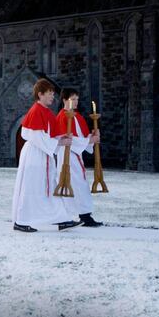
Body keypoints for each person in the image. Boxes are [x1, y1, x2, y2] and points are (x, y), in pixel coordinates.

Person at [11, 79, 82, 232]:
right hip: (35, 155)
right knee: (32, 187)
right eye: (49, 93)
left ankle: (62, 219)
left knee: (49, 187)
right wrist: (58, 144)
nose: (52, 97)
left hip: (44, 155)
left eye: (53, 93)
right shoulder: (36, 111)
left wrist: (61, 138)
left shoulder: (47, 112)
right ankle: (21, 221)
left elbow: (51, 134)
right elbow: (36, 136)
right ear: (40, 94)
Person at [55, 88, 103, 227]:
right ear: (64, 100)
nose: (76, 102)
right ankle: (71, 216)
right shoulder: (62, 117)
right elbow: (67, 139)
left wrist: (92, 137)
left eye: (77, 99)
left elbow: (81, 137)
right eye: (73, 99)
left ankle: (83, 215)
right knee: (70, 183)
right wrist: (88, 141)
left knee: (79, 184)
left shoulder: (77, 117)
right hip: (67, 155)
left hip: (76, 154)